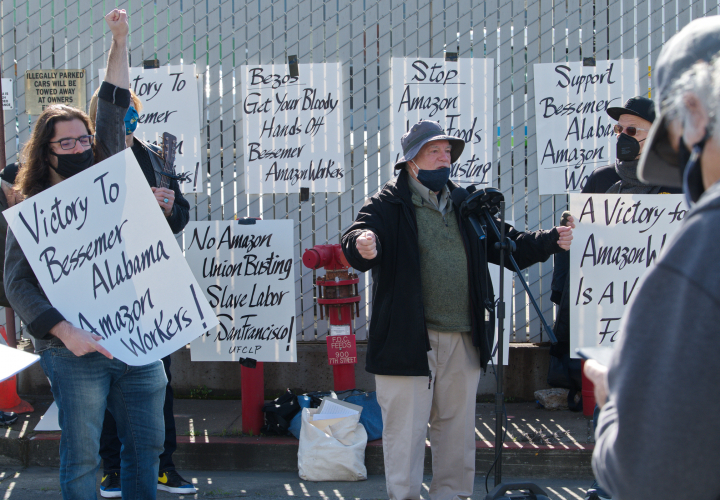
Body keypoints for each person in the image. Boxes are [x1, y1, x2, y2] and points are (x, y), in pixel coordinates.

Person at [341, 119, 574, 500]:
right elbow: (357, 237)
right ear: (411, 161)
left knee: (457, 431)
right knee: (405, 432)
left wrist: (552, 240)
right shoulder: (387, 203)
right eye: (434, 151)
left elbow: (508, 243)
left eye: (448, 152)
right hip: (407, 340)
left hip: (464, 336)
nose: (444, 158)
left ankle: (452, 495)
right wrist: (362, 245)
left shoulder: (466, 204)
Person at [4, 9, 167, 500]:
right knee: (82, 457)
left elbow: (113, 106)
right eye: (67, 142)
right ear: (46, 151)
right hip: (73, 351)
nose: (78, 147)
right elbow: (16, 283)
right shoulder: (34, 208)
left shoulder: (106, 175)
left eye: (84, 138)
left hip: (136, 339)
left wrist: (120, 41)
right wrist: (64, 332)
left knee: (147, 446)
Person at [584, 16, 720, 499]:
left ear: (693, 112)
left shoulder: (707, 241)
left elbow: (647, 472)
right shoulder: (601, 181)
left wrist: (613, 403)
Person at [548, 96, 680, 499]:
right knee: (611, 411)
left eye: (633, 130)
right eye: (619, 129)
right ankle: (608, 484)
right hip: (611, 323)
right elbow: (584, 257)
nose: (623, 136)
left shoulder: (680, 183)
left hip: (665, 325)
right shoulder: (601, 181)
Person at [88, 90, 194, 497]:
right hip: (103, 287)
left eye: (133, 111)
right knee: (107, 381)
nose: (128, 118)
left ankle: (163, 466)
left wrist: (168, 209)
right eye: (120, 112)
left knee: (157, 380)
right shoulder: (91, 158)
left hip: (150, 286)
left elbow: (180, 216)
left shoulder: (155, 158)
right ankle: (112, 468)